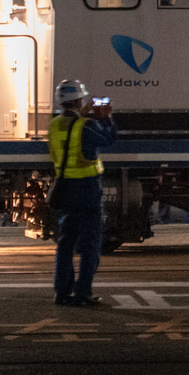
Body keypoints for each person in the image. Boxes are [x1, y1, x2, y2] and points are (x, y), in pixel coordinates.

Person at [49, 79, 117, 307]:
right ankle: (83, 292)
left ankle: (61, 291)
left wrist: (82, 114)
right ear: (79, 100)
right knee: (90, 244)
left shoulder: (54, 125)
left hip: (65, 190)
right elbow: (108, 139)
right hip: (87, 192)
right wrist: (105, 117)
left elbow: (69, 138)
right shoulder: (85, 126)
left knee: (65, 243)